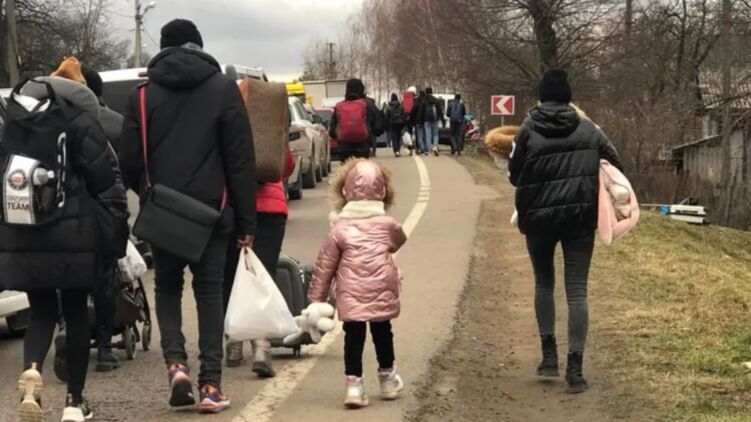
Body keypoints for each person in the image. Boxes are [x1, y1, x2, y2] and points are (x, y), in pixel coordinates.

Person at [119, 19, 256, 414]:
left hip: (163, 213)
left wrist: (149, 195)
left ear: (163, 48)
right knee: (210, 292)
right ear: (198, 46)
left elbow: (129, 160)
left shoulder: (141, 96)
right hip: (212, 213)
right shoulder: (224, 90)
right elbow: (240, 160)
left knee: (167, 287)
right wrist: (246, 222)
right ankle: (211, 385)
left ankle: (176, 364)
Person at [2, 57, 128, 422]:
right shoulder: (79, 121)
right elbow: (103, 179)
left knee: (41, 311)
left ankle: (32, 374)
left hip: (25, 231)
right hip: (73, 234)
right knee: (74, 314)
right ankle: (74, 402)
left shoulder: (15, 123)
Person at [508, 69, 622, 394]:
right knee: (577, 291)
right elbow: (614, 164)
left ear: (541, 97)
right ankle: (575, 368)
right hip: (579, 219)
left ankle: (548, 358)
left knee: (543, 282)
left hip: (538, 219)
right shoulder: (589, 129)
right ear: (569, 96)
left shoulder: (527, 129)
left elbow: (514, 175)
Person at [308, 159, 407, 409]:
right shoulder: (388, 225)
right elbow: (399, 241)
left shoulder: (339, 229)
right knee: (382, 331)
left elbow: (325, 266)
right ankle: (387, 379)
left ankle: (354, 386)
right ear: (383, 191)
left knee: (353, 335)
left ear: (344, 190)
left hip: (350, 290)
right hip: (382, 287)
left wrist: (316, 299)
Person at [223, 151, 295, 378]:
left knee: (230, 276)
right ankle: (261, 347)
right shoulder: (268, 129)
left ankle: (234, 342)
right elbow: (286, 165)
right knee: (264, 276)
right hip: (270, 207)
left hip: (231, 205)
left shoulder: (223, 127)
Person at [82, 67, 126, 373]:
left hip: (66, 215)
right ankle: (105, 347)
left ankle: (69, 332)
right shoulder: (114, 123)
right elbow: (129, 166)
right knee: (106, 279)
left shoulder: (53, 122)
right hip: (108, 211)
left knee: (67, 279)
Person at [329, 79, 383, 162]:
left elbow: (332, 131)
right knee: (362, 167)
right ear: (362, 89)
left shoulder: (339, 106)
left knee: (347, 168)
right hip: (363, 147)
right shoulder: (368, 104)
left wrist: (336, 136)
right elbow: (378, 128)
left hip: (344, 147)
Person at [420, 87, 445, 156]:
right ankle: (435, 147)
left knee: (428, 136)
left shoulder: (424, 101)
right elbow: (440, 111)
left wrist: (421, 121)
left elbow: (421, 112)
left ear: (426, 92)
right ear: (432, 92)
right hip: (435, 120)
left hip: (426, 120)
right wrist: (443, 120)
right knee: (435, 135)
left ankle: (429, 151)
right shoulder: (436, 100)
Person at [384, 93, 406, 157]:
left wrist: (386, 125)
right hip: (400, 124)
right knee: (398, 137)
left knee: (394, 138)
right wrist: (403, 123)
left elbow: (386, 116)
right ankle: (398, 150)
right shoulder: (400, 106)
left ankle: (396, 151)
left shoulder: (389, 107)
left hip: (392, 124)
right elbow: (403, 115)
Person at [411, 90, 427, 155]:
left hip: (418, 121)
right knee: (425, 136)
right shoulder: (426, 102)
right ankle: (426, 148)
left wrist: (411, 120)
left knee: (419, 136)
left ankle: (422, 149)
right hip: (425, 121)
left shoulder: (417, 102)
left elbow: (413, 112)